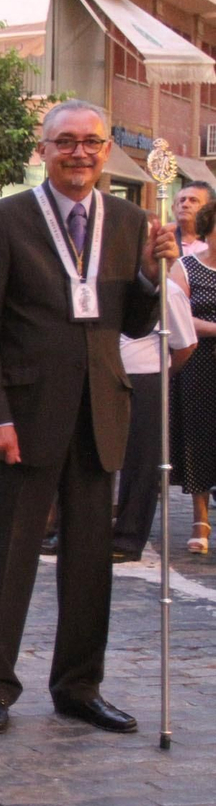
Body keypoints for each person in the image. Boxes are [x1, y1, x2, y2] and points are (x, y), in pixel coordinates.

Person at [0, 99, 176, 736]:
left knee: (90, 562)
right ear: (43, 150)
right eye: (65, 143)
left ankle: (79, 686)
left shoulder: (133, 220)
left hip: (100, 412)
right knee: (10, 558)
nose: (79, 153)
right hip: (23, 417)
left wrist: (148, 277)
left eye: (91, 142)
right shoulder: (5, 220)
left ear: (106, 150)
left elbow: (134, 324)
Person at [115, 275, 196, 561]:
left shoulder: (170, 291)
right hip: (107, 376)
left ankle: (128, 537)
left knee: (140, 461)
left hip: (146, 377)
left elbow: (186, 344)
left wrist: (163, 374)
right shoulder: (112, 282)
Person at [170, 198, 216, 554]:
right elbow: (177, 313)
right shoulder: (186, 266)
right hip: (199, 362)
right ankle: (200, 517)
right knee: (199, 438)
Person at [173, 182, 212, 258]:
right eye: (182, 200)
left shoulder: (213, 242)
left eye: (193, 200)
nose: (185, 205)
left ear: (209, 208)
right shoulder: (166, 239)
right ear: (173, 208)